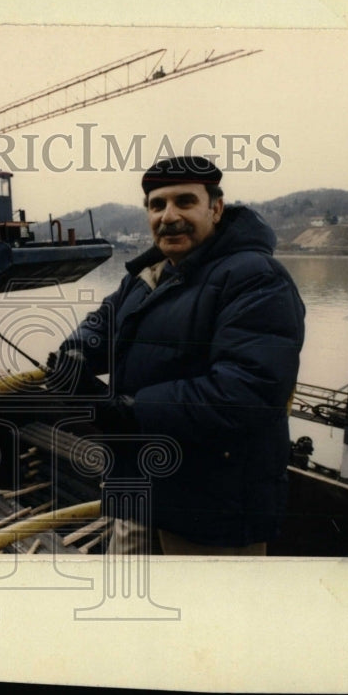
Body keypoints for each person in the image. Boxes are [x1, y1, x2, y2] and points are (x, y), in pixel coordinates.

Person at [46, 156, 305, 555]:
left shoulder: (256, 278)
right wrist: (78, 351)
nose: (169, 216)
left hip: (212, 509)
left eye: (185, 202)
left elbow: (247, 392)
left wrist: (128, 410)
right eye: (157, 205)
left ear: (215, 208)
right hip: (140, 492)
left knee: (203, 616)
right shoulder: (148, 275)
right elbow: (103, 322)